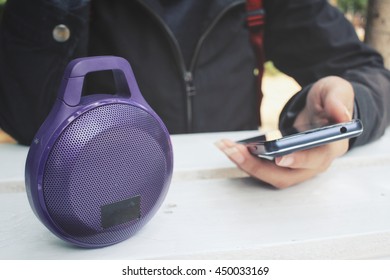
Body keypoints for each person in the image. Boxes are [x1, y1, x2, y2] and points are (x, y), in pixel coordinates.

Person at [1, 0, 390, 188]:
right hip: (96, 205)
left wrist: (350, 105)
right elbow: (22, 118)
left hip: (237, 199)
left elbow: (373, 76)